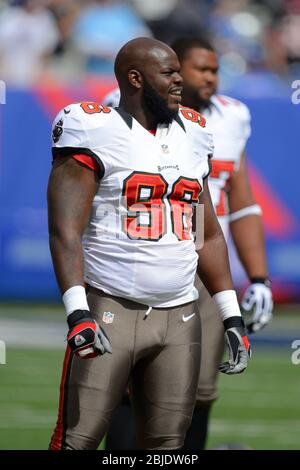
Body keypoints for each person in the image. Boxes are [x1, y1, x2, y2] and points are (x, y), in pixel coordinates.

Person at [47, 37, 251, 451]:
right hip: (111, 306)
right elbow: (65, 229)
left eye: (179, 71)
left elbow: (205, 232)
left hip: (180, 314)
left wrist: (231, 314)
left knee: (167, 446)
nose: (179, 81)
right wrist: (77, 312)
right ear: (135, 79)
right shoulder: (94, 127)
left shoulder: (194, 133)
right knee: (78, 440)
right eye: (170, 73)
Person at [103, 36, 272, 450]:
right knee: (127, 383)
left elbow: (240, 201)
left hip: (205, 260)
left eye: (214, 70)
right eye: (199, 69)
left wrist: (259, 277)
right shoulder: (118, 107)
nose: (209, 78)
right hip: (142, 253)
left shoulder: (232, 117)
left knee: (198, 389)